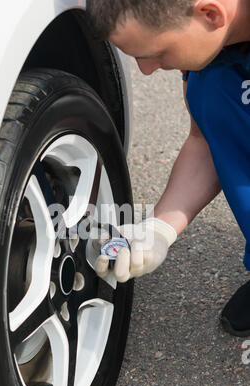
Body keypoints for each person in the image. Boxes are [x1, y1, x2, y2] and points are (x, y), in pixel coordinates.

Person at [86, 0, 250, 338]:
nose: (146, 70)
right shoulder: (214, 52)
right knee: (215, 91)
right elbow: (205, 142)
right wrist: (159, 229)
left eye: (158, 52)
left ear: (210, 14)